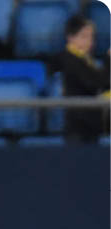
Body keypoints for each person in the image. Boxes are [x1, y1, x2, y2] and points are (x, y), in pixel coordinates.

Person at [55, 14, 110, 143]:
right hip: (78, 129)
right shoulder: (68, 59)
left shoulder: (86, 60)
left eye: (91, 37)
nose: (89, 41)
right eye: (84, 36)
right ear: (70, 37)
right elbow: (95, 83)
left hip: (91, 127)